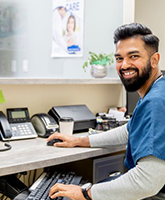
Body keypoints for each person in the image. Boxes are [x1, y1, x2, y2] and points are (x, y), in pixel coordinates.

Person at [47, 23, 165, 200]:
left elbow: (146, 183)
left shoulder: (156, 101)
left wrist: (84, 193)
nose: (124, 65)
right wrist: (79, 141)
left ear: (154, 60)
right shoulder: (155, 90)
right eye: (119, 58)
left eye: (133, 56)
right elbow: (128, 131)